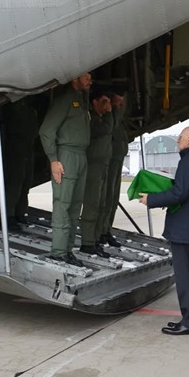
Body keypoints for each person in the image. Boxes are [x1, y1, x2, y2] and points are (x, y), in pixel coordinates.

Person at [139, 126, 189, 336]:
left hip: (185, 229)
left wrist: (152, 199)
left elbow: (180, 193)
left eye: (181, 137)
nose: (178, 141)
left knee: (187, 278)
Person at [38, 74, 92, 267]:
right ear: (74, 79)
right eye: (86, 76)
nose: (90, 79)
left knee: (75, 206)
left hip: (80, 155)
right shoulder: (65, 101)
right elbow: (46, 131)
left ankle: (67, 251)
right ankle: (59, 252)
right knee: (63, 204)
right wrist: (53, 160)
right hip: (66, 156)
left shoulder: (81, 101)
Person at [79, 89, 113, 258]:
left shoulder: (100, 118)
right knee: (91, 204)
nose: (107, 106)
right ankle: (87, 242)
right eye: (104, 102)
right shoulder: (91, 118)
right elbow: (106, 129)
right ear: (94, 102)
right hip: (93, 166)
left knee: (101, 204)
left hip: (102, 165)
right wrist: (110, 112)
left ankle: (95, 239)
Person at [0, 98, 38, 231]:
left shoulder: (29, 106)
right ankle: (8, 215)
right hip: (16, 145)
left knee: (26, 181)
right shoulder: (14, 105)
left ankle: (20, 211)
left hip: (27, 145)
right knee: (14, 181)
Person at [100, 89, 129, 248]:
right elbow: (111, 128)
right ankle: (102, 231)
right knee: (107, 197)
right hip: (110, 161)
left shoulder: (115, 117)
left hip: (117, 160)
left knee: (114, 198)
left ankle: (106, 230)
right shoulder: (110, 117)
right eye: (119, 101)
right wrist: (114, 109)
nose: (121, 104)